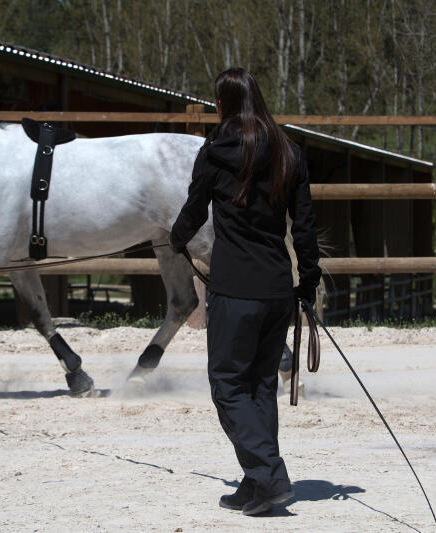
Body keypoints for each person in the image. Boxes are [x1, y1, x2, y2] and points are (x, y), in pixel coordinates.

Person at [169, 67, 321, 516]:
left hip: (235, 291)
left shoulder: (214, 153)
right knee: (258, 387)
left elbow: (194, 210)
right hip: (277, 288)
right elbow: (306, 227)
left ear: (225, 104)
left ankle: (270, 476)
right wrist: (307, 282)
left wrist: (176, 239)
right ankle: (255, 486)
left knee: (228, 386)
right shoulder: (289, 153)